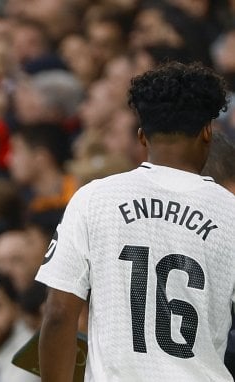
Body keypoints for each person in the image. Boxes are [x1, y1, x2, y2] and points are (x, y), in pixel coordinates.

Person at [35, 61, 235, 381]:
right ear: (208, 133)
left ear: (142, 137)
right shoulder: (230, 212)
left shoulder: (93, 199)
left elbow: (59, 313)